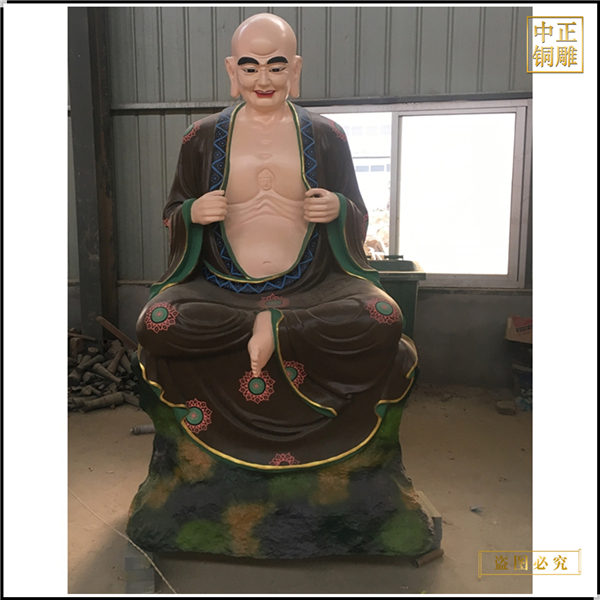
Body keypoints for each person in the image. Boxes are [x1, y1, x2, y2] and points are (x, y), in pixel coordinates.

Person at [135, 13, 418, 470]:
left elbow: (359, 211)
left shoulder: (326, 135)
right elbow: (173, 212)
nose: (263, 80)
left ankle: (275, 323)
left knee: (383, 317)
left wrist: (338, 209)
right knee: (158, 321)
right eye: (250, 67)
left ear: (296, 69)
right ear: (232, 71)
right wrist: (192, 213)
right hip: (222, 287)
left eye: (276, 66)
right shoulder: (200, 137)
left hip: (311, 286)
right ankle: (273, 324)